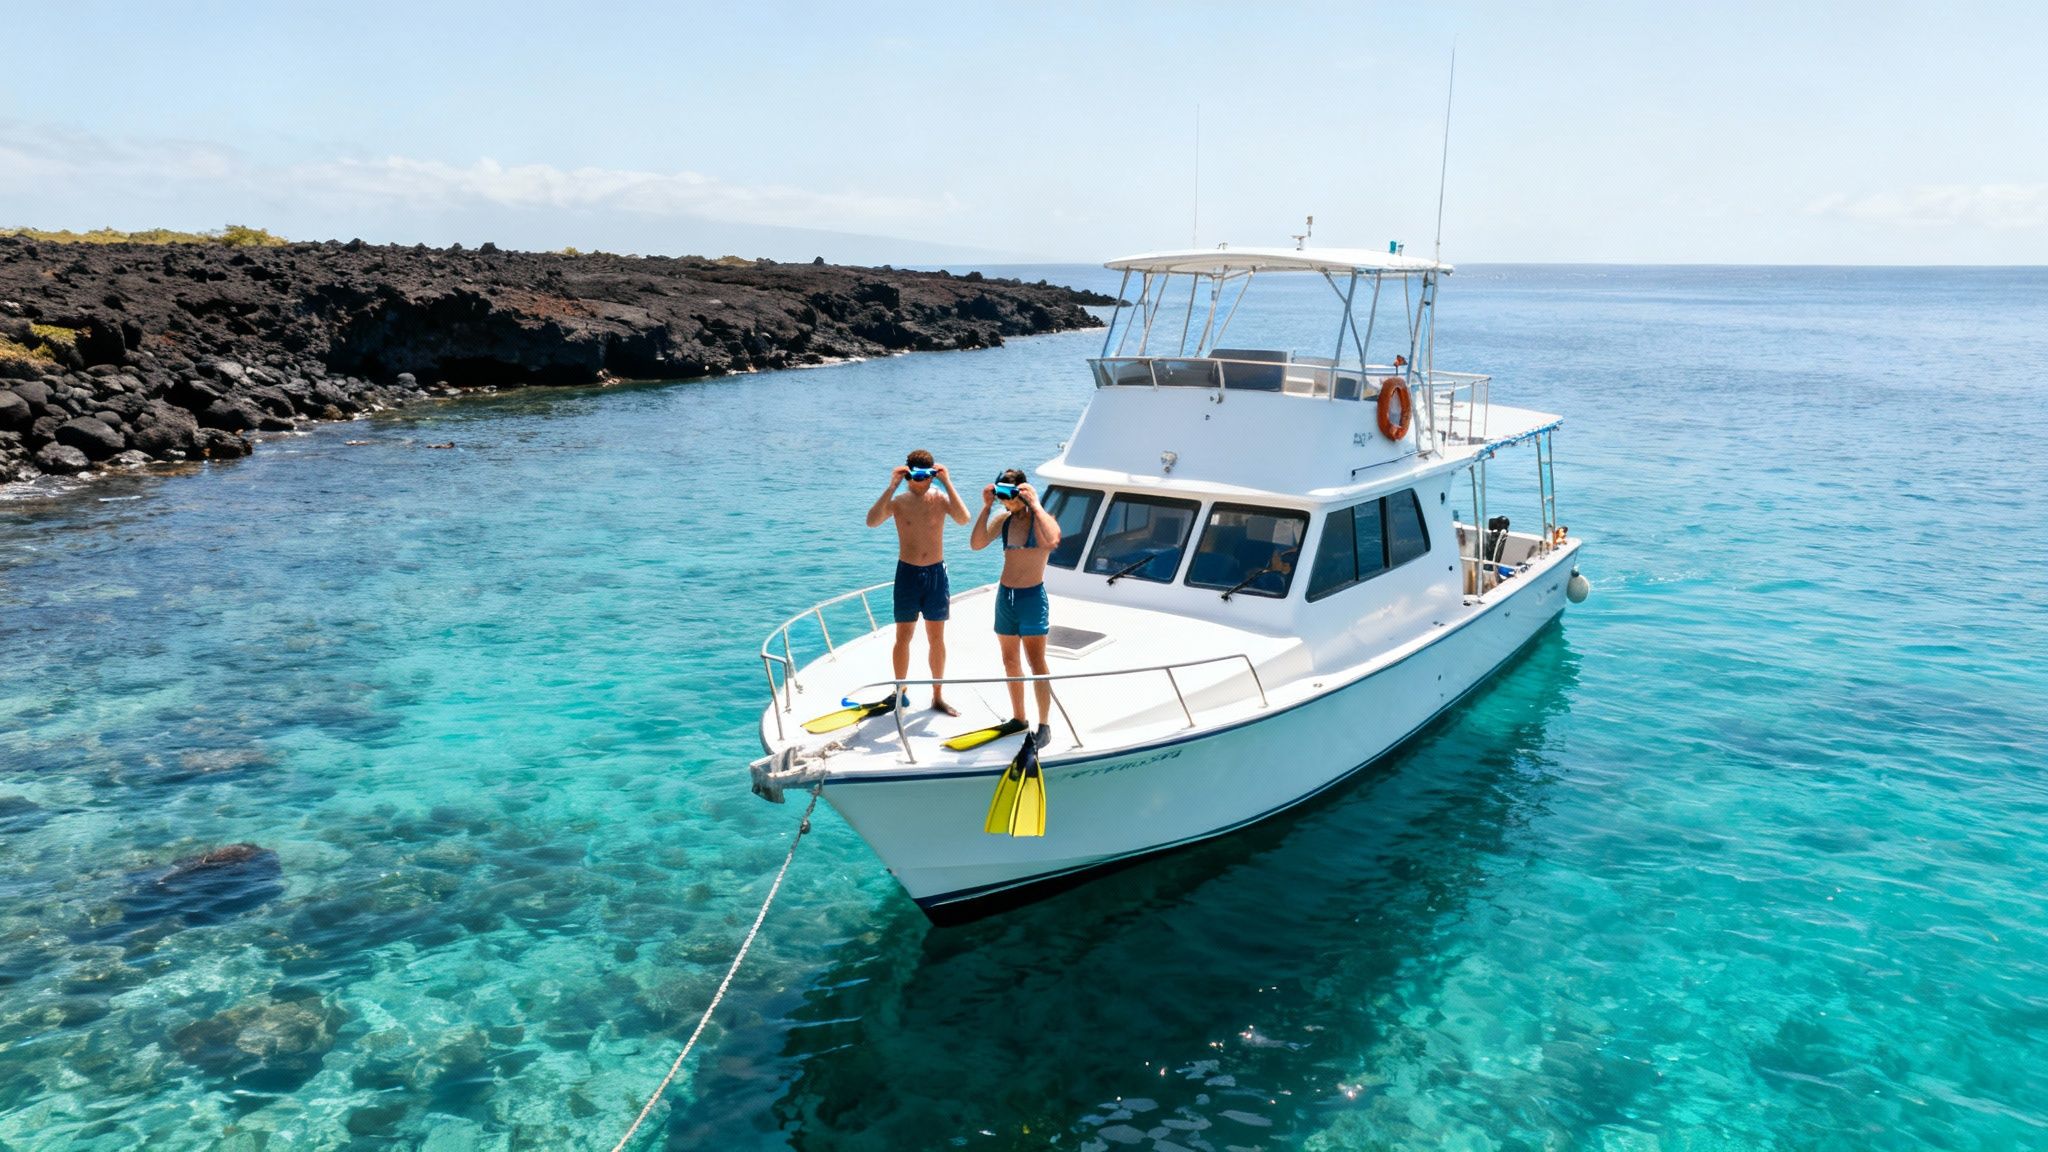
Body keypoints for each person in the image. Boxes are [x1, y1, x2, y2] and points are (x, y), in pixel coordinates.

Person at [866, 449, 970, 715]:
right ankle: (900, 691)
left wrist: (947, 481)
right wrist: (891, 486)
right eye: (915, 475)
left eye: (926, 476)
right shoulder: (899, 500)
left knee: (937, 637)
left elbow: (963, 518)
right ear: (907, 473)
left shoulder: (940, 498)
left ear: (932, 474)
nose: (921, 481)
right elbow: (872, 521)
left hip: (936, 574)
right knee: (904, 637)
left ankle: (937, 695)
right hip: (908, 574)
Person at [969, 468, 1063, 743]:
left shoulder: (1043, 520)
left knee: (1036, 663)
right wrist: (986, 508)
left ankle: (1044, 725)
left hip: (1031, 598)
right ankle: (1019, 718)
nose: (1004, 501)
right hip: (1006, 597)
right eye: (1000, 495)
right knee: (1010, 661)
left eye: (1008, 495)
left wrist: (1035, 504)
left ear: (1022, 491)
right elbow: (976, 544)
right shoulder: (1004, 520)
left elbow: (1053, 540)